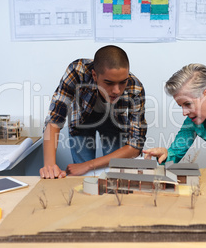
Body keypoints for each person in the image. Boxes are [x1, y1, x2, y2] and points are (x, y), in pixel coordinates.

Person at [40, 45, 147, 179]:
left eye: (122, 83)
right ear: (95, 75)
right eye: (109, 83)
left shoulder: (135, 88)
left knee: (115, 173)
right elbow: (54, 120)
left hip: (114, 121)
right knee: (82, 176)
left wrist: (89, 165)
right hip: (82, 119)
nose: (117, 90)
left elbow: (135, 146)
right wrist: (49, 165)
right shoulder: (77, 72)